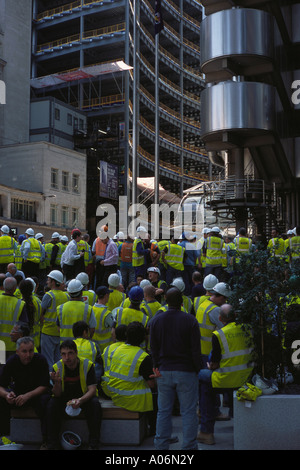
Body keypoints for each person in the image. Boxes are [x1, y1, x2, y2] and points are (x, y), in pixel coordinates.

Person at [150, 287, 202, 450]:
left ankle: (161, 446)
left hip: (164, 372)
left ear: (165, 300)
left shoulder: (157, 321)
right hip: (186, 371)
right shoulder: (190, 320)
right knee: (188, 411)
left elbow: (153, 348)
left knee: (163, 411)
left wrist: (156, 367)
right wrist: (197, 369)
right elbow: (195, 349)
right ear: (182, 302)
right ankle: (189, 447)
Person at [198, 304, 254, 445]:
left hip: (225, 378)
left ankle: (206, 432)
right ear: (235, 316)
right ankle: (231, 411)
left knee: (203, 378)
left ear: (220, 318)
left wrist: (211, 365)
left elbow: (215, 364)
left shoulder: (219, 335)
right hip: (246, 376)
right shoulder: (249, 329)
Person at [46, 339, 102, 450]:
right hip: (64, 399)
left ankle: (93, 444)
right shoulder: (57, 367)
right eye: (63, 354)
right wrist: (56, 382)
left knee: (95, 404)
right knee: (51, 405)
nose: (67, 358)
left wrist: (80, 400)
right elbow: (56, 394)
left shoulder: (87, 365)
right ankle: (53, 444)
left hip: (83, 398)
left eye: (70, 353)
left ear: (76, 353)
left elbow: (92, 389)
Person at [107, 321, 156, 434]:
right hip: (131, 400)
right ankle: (155, 430)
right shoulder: (143, 357)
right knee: (157, 395)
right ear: (143, 339)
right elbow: (151, 384)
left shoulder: (116, 350)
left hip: (115, 395)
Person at [0, 337, 51, 445]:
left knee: (47, 402)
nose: (28, 355)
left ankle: (46, 440)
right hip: (18, 396)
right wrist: (7, 395)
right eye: (24, 351)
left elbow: (44, 386)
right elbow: (1, 385)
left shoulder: (40, 360)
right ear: (17, 352)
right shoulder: (11, 362)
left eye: (31, 351)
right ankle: (4, 437)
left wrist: (27, 396)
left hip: (37, 395)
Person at [40, 270, 69, 370]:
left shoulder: (48, 295)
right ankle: (58, 380)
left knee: (48, 361)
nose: (47, 281)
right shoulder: (67, 296)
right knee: (58, 361)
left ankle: (50, 382)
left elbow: (41, 312)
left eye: (49, 279)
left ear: (53, 282)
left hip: (47, 332)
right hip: (60, 333)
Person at [0, 277, 28, 361]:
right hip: (13, 345)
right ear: (15, 288)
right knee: (10, 371)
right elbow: (25, 326)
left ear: (4, 287)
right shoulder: (20, 304)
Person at [100, 324, 127, 397]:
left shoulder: (107, 349)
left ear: (115, 335)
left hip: (107, 389)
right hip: (123, 389)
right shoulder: (130, 349)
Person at [73, 320, 103, 386]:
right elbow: (100, 361)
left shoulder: (70, 345)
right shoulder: (93, 345)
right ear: (84, 332)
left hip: (73, 378)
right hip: (90, 379)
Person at [93, 286, 114, 354]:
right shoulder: (107, 314)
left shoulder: (91, 309)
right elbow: (114, 330)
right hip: (105, 348)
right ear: (106, 295)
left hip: (94, 346)